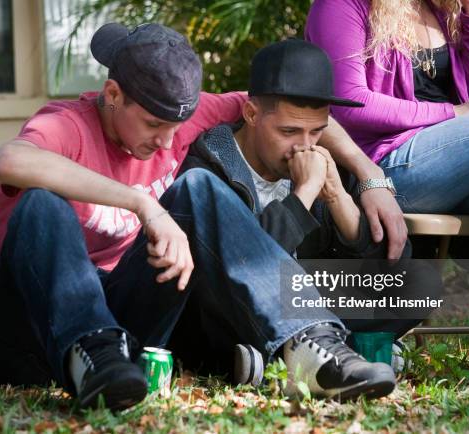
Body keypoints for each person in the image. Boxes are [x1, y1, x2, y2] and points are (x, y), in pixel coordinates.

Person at [0, 22, 397, 411]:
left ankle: (312, 345)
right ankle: (91, 354)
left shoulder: (176, 114)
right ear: (113, 95)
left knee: (198, 187)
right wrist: (143, 203)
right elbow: (11, 160)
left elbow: (297, 110)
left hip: (119, 334)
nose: (168, 142)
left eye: (176, 126)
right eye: (153, 125)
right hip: (18, 333)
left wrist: (367, 172)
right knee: (41, 203)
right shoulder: (66, 125)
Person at [178, 38, 441, 375]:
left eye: (316, 131)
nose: (303, 146)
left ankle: (307, 348)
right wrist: (302, 195)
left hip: (304, 297)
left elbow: (387, 267)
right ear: (252, 114)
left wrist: (338, 199)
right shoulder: (210, 164)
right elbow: (248, 264)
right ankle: (322, 348)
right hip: (236, 306)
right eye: (289, 131)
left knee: (419, 284)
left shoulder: (323, 160)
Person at [305, 0, 469, 265]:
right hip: (390, 167)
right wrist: (456, 112)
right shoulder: (342, 5)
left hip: (460, 173)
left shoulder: (442, 9)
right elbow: (351, 104)